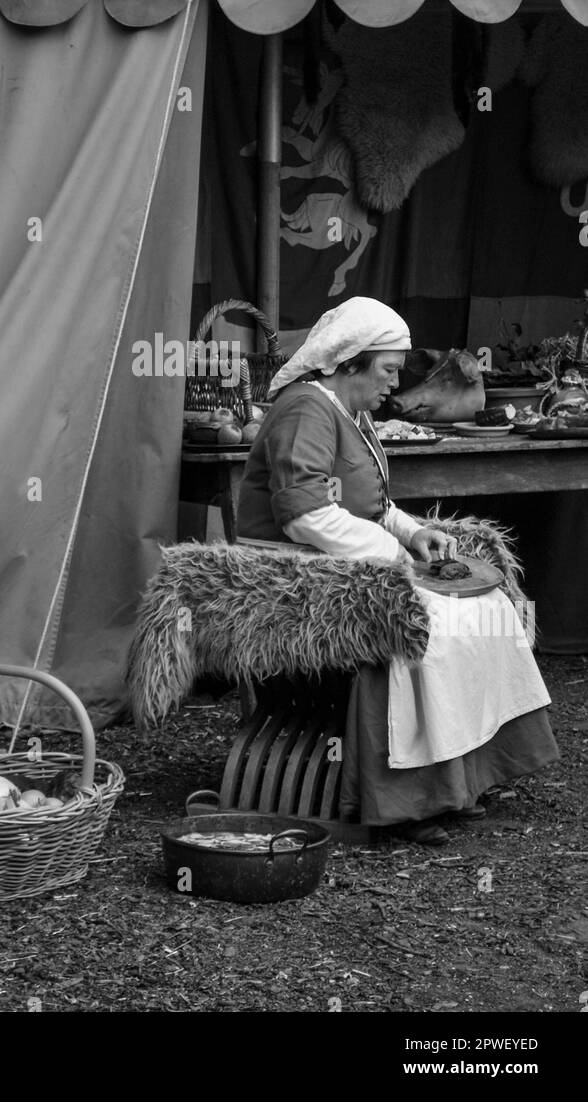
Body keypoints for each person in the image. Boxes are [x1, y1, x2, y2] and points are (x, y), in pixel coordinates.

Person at [236, 296, 558, 845]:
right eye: (387, 369)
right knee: (427, 621)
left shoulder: (350, 413)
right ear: (350, 361)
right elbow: (304, 513)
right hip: (290, 566)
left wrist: (411, 533)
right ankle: (409, 798)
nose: (394, 383)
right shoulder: (304, 409)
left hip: (340, 556)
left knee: (485, 604)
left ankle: (463, 777)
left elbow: (371, 503)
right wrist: (393, 557)